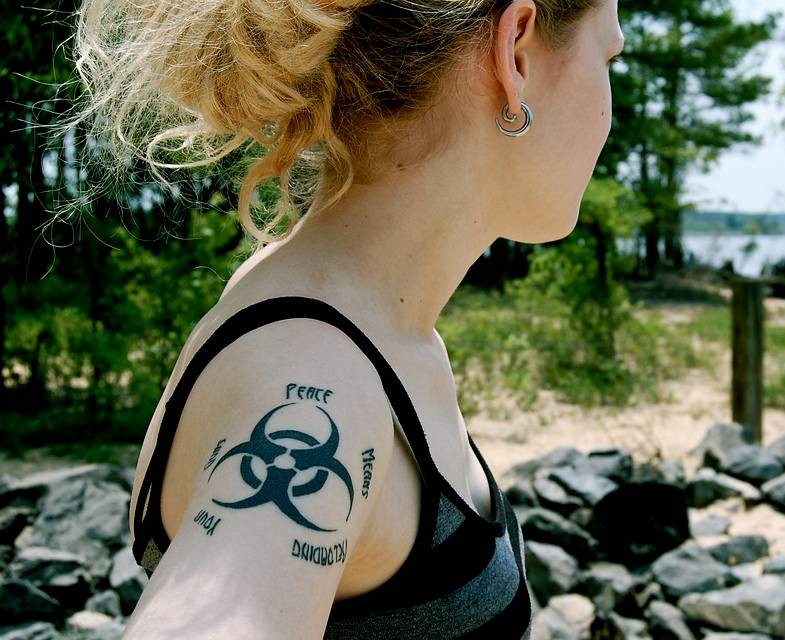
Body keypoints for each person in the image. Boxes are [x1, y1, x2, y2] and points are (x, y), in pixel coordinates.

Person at [68, 0, 623, 636]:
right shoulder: (315, 371)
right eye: (608, 57)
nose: (609, 112)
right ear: (516, 50)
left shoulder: (369, 327)